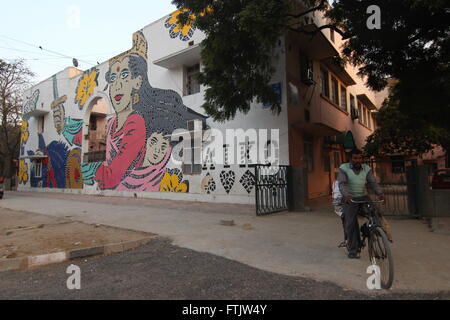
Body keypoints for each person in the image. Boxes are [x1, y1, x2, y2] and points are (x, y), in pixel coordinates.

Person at [337, 149, 384, 259]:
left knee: (376, 215)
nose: (358, 160)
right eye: (355, 158)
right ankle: (353, 249)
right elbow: (342, 184)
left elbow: (372, 182)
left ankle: (376, 234)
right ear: (350, 159)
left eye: (360, 158)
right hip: (350, 198)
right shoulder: (344, 168)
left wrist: (380, 193)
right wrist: (346, 194)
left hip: (363, 196)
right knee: (351, 223)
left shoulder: (366, 169)